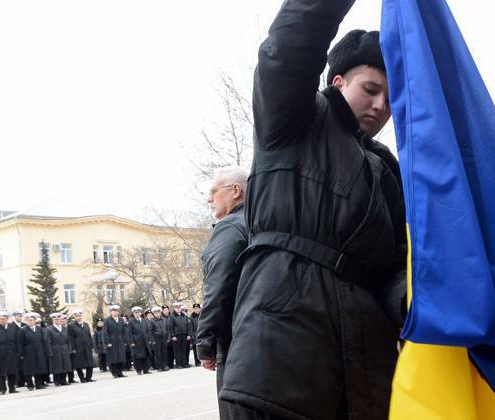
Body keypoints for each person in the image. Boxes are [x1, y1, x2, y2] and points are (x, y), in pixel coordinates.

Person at [220, 1, 408, 418]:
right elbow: (289, 47)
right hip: (278, 364)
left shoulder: (387, 171)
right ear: (337, 81)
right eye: (371, 90)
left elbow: (396, 264)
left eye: (390, 99)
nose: (380, 106)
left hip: (362, 374)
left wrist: (416, 303)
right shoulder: (294, 119)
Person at [197, 166, 248, 417]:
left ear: (235, 191)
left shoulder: (230, 228)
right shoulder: (264, 222)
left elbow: (217, 289)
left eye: (213, 191)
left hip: (237, 343)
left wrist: (205, 344)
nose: (209, 198)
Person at [0, 311, 19, 395]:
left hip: (12, 352)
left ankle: (12, 388)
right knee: (1, 373)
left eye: (3, 319)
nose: (1, 320)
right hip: (0, 354)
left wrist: (18, 351)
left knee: (12, 372)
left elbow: (17, 340)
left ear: (7, 319)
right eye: (0, 319)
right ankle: (2, 389)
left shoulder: (12, 327)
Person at [18, 313, 48, 390]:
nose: (30, 322)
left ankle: (38, 384)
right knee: (28, 370)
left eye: (31, 320)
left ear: (34, 321)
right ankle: (30, 385)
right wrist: (21, 354)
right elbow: (20, 343)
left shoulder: (39, 329)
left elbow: (43, 341)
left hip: (39, 351)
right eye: (28, 320)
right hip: (28, 352)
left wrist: (44, 351)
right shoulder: (22, 330)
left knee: (38, 368)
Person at [68, 309, 96, 383]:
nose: (79, 317)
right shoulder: (71, 325)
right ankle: (82, 378)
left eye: (80, 316)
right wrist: (73, 348)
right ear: (74, 316)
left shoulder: (86, 324)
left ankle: (88, 377)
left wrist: (91, 345)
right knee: (79, 364)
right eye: (77, 316)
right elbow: (70, 338)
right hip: (78, 348)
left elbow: (89, 336)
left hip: (87, 347)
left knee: (90, 363)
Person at [46, 313, 72, 386]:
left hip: (64, 348)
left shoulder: (64, 328)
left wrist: (69, 349)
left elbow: (68, 340)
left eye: (59, 319)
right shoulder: (49, 329)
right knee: (57, 366)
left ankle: (63, 380)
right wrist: (50, 351)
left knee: (65, 365)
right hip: (55, 349)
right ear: (53, 320)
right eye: (55, 319)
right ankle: (57, 381)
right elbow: (48, 341)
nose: (57, 321)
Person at [103, 304, 128, 378]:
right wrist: (107, 342)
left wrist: (125, 340)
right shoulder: (107, 320)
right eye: (114, 311)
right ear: (111, 312)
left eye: (117, 311)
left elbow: (124, 331)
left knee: (121, 358)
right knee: (113, 358)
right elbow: (105, 332)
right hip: (112, 341)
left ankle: (120, 372)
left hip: (120, 341)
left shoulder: (120, 320)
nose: (115, 312)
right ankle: (114, 373)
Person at [128, 306, 151, 375]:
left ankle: (146, 369)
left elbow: (147, 330)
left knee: (145, 355)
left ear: (141, 313)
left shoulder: (144, 320)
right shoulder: (131, 321)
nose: (137, 314)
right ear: (133, 313)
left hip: (144, 341)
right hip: (136, 342)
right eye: (136, 313)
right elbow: (129, 333)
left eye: (138, 312)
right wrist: (131, 341)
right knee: (137, 357)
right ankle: (139, 370)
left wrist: (149, 339)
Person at [169, 302, 192, 369]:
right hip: (176, 336)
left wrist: (189, 334)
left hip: (184, 335)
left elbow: (188, 326)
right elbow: (171, 327)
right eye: (177, 308)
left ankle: (184, 363)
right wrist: (173, 335)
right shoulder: (172, 317)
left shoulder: (184, 316)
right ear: (174, 308)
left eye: (179, 308)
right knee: (177, 351)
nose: (178, 309)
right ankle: (178, 364)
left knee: (183, 350)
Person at [147, 306, 170, 371]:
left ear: (160, 313)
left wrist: (168, 337)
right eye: (156, 312)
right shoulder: (151, 321)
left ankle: (164, 365)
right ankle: (159, 366)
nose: (157, 314)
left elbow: (167, 329)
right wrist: (152, 340)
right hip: (156, 339)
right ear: (154, 313)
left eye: (158, 312)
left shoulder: (164, 319)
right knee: (158, 354)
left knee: (164, 353)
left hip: (164, 338)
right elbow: (150, 331)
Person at [9, 310, 26, 387]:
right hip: (15, 350)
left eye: (21, 316)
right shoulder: (10, 326)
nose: (20, 317)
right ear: (14, 316)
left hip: (24, 349)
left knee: (24, 366)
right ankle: (17, 382)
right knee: (16, 366)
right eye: (18, 316)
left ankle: (24, 381)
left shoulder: (24, 325)